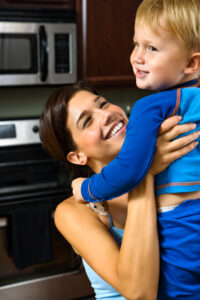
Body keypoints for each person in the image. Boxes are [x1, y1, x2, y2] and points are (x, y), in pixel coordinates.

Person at [71, 0, 200, 298]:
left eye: (151, 48)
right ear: (76, 155)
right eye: (135, 44)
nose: (137, 57)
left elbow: (129, 170)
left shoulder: (150, 107)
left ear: (191, 63)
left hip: (179, 224)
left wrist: (87, 189)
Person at [39, 82, 199, 300]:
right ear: (78, 157)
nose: (106, 115)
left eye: (103, 104)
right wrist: (144, 172)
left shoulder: (174, 172)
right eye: (87, 121)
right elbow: (140, 293)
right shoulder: (74, 211)